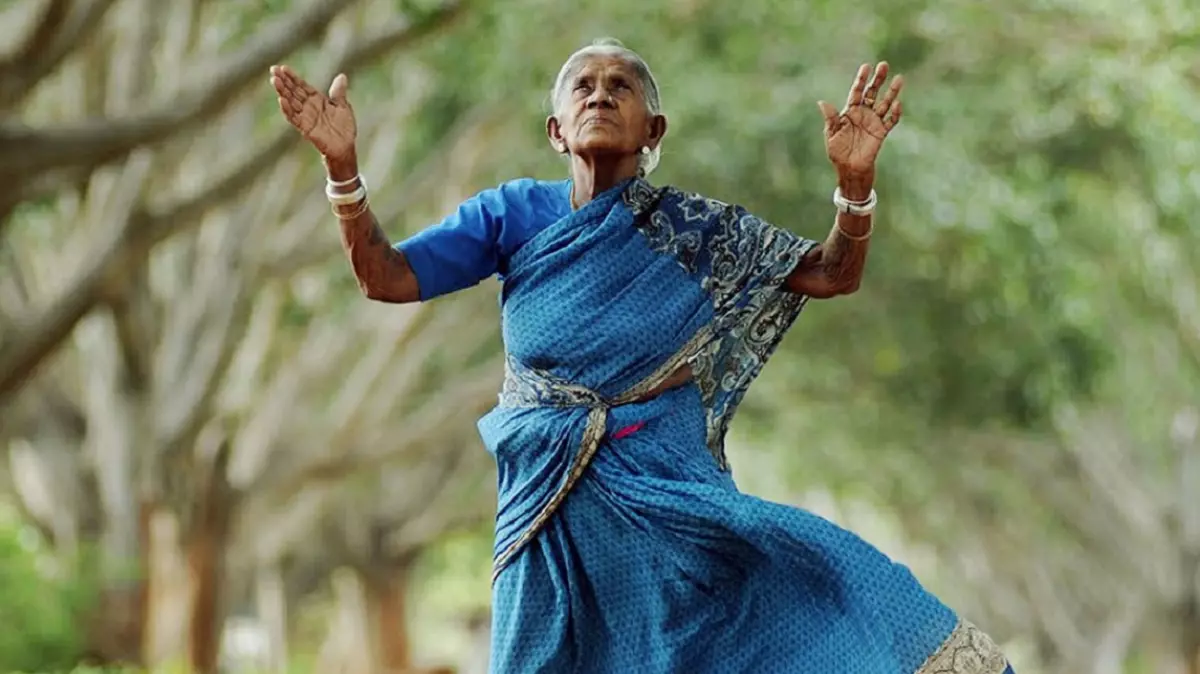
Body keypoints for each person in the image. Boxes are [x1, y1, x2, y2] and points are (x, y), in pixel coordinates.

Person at [270, 38, 1013, 674]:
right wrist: (343, 170)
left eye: (620, 86)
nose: (600, 95)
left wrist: (855, 190)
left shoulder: (693, 230)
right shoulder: (511, 216)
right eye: (583, 88)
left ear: (652, 129)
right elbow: (387, 277)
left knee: (811, 582)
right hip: (544, 505)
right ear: (556, 130)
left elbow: (830, 273)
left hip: (671, 495)